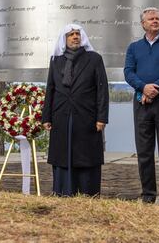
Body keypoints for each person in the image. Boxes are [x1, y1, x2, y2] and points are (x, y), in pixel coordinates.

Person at [42, 24, 109, 197]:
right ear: (64, 39)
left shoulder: (94, 59)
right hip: (61, 115)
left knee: (86, 155)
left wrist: (101, 118)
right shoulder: (56, 60)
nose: (75, 37)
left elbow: (102, 90)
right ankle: (64, 191)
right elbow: (51, 88)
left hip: (87, 116)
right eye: (70, 34)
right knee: (62, 155)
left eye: (77, 34)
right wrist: (46, 116)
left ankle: (87, 192)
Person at [124, 7, 159, 204]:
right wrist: (143, 88)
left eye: (158, 18)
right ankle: (148, 195)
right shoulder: (133, 48)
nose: (155, 21)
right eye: (151, 19)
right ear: (143, 24)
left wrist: (154, 88)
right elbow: (128, 72)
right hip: (141, 102)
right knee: (144, 151)